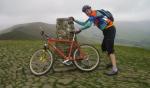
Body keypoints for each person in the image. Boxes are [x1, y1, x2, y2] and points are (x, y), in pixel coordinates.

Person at [69, 5, 118, 76]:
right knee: (104, 47)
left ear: (90, 9)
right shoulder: (91, 16)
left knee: (110, 49)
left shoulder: (94, 14)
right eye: (85, 12)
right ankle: (111, 62)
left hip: (110, 29)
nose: (87, 13)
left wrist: (80, 29)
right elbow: (84, 23)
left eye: (87, 10)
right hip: (106, 31)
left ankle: (115, 69)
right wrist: (74, 20)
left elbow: (88, 25)